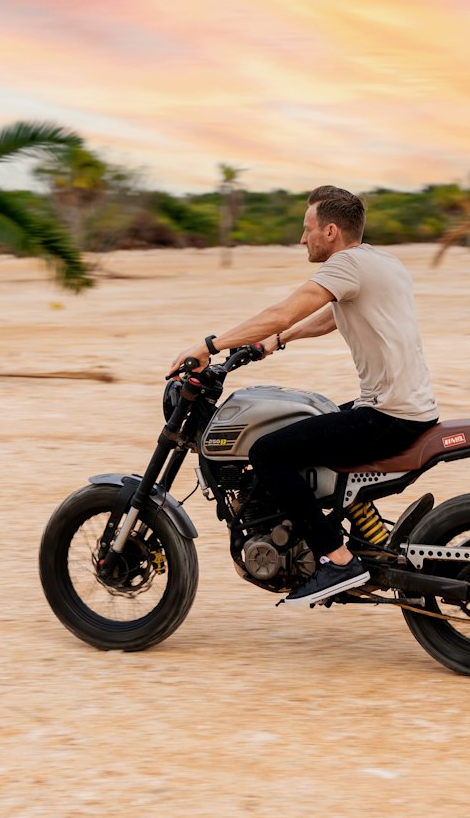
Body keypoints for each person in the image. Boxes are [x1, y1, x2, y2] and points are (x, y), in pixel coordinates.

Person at [169, 185, 438, 607]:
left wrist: (209, 346)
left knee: (269, 452)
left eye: (307, 228)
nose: (302, 238)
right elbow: (333, 316)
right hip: (408, 408)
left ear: (330, 231)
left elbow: (282, 310)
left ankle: (337, 558)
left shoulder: (345, 264)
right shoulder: (381, 262)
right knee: (314, 426)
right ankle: (363, 542)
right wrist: (277, 342)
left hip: (387, 414)